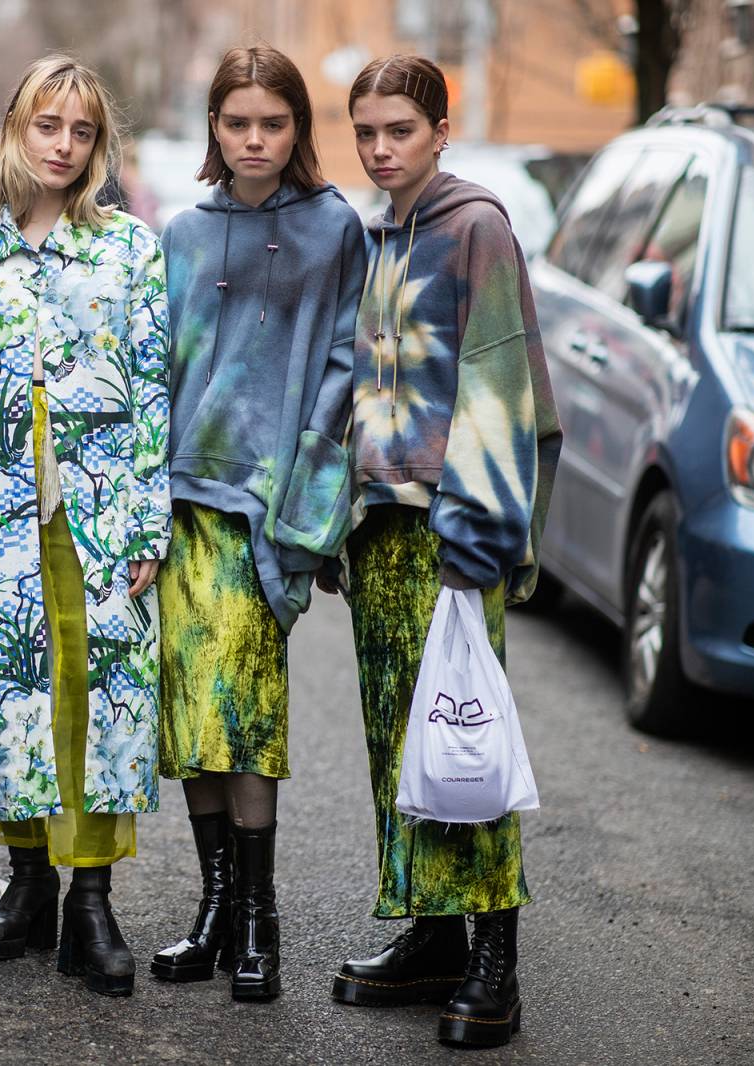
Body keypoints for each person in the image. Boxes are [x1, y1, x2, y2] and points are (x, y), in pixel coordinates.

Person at [328, 55, 561, 1048]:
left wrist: (478, 542)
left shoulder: (475, 230)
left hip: (450, 532)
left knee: (466, 734)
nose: (381, 150)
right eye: (367, 132)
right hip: (381, 527)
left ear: (439, 131)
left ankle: (494, 952)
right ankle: (429, 932)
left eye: (400, 131)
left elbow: (502, 394)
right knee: (403, 740)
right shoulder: (380, 232)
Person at [0, 54, 170, 999]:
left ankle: (93, 898)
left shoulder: (128, 251)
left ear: (99, 144)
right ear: (15, 132)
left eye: (81, 131)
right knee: (13, 697)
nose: (63, 146)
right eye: (46, 126)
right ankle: (26, 880)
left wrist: (148, 522)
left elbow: (154, 392)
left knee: (100, 694)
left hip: (103, 517)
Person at [151, 45, 365, 1004]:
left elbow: (347, 367)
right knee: (194, 720)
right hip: (182, 505)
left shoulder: (333, 231)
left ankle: (258, 917)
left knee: (249, 719)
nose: (252, 140)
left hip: (264, 511)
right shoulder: (183, 234)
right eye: (235, 122)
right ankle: (213, 907)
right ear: (213, 128)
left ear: (298, 130)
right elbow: (153, 369)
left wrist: (307, 507)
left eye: (272, 123)